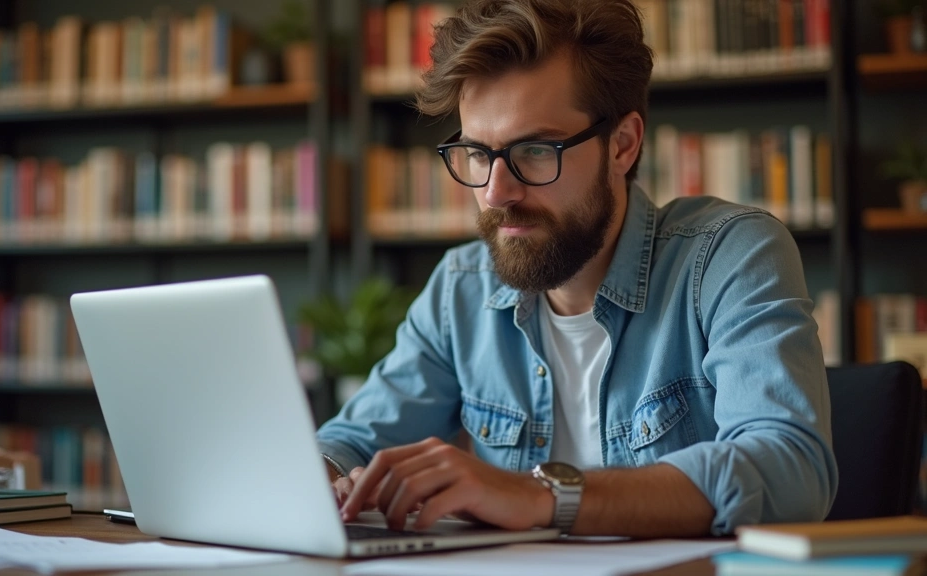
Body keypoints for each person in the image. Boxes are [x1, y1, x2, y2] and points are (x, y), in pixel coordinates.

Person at [316, 0, 837, 538]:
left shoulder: (728, 256)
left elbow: (790, 472)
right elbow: (350, 441)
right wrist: (321, 479)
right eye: (476, 152)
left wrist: (540, 496)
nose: (496, 192)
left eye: (536, 150)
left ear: (623, 145)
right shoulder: (461, 290)